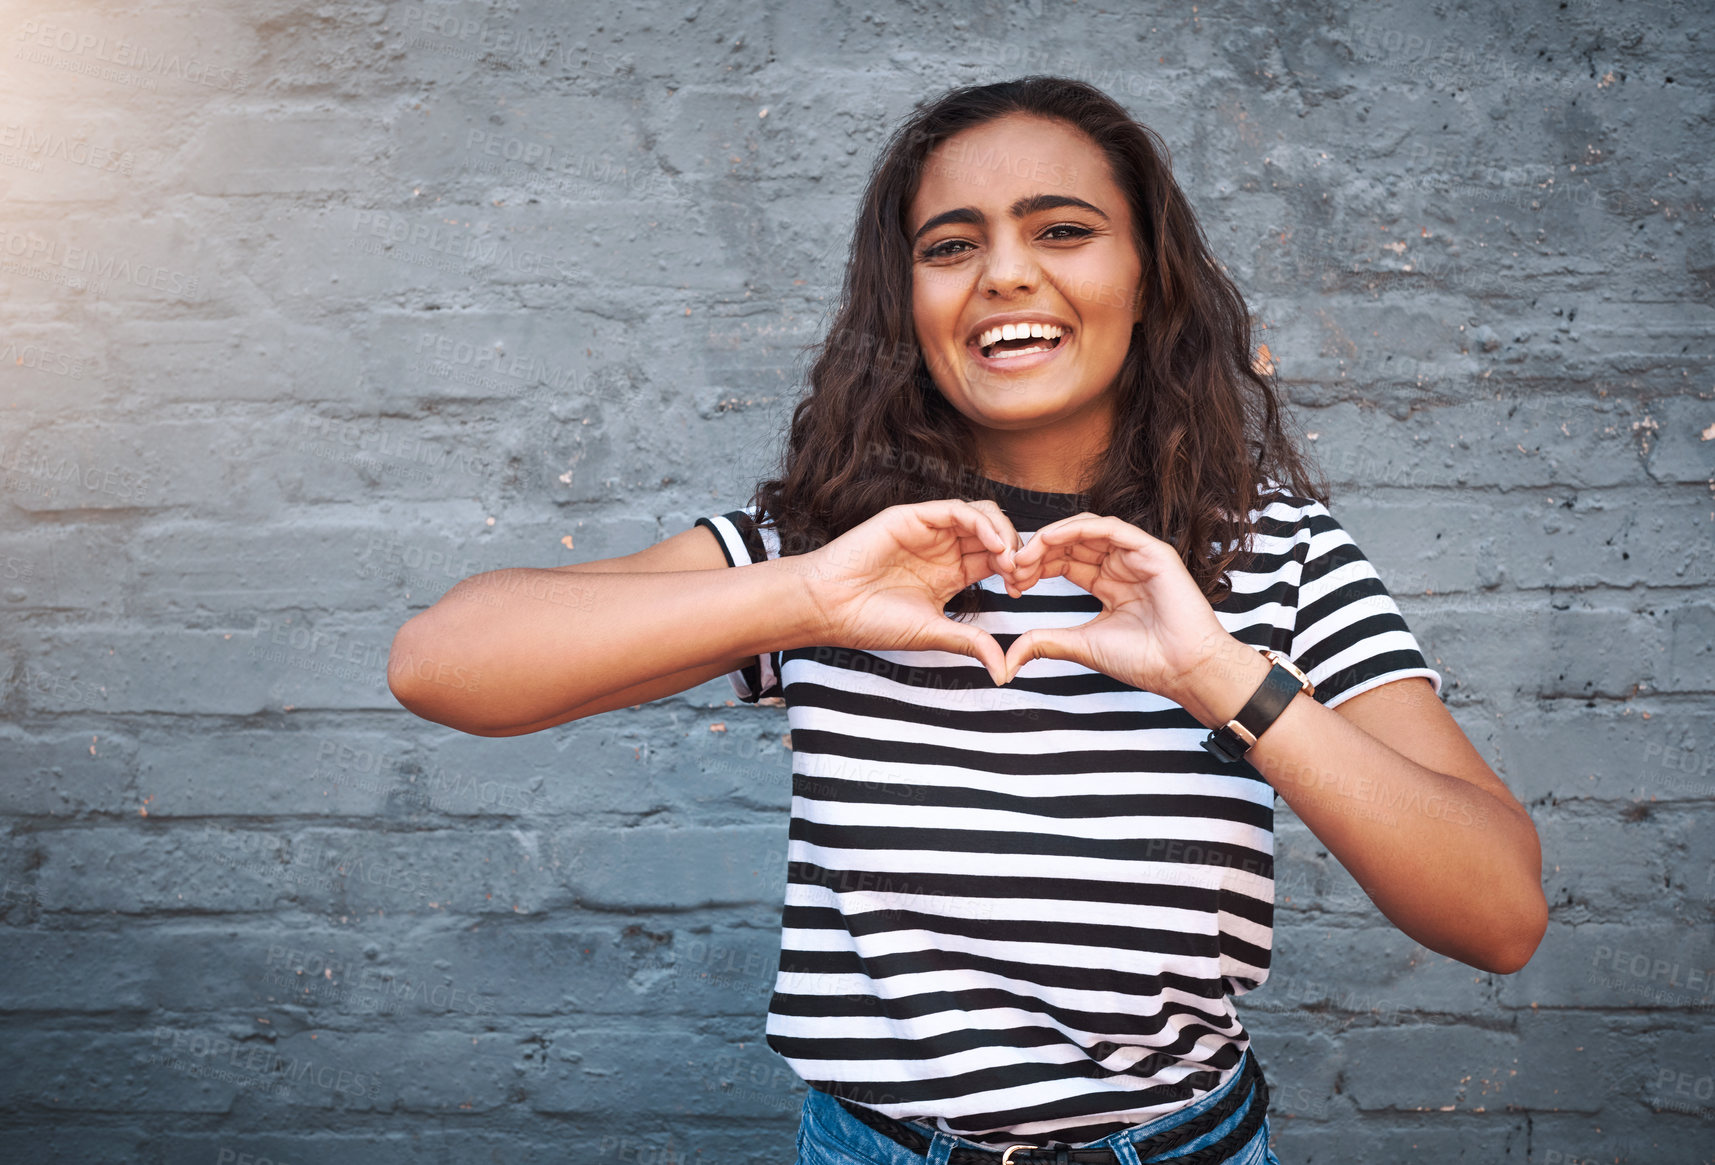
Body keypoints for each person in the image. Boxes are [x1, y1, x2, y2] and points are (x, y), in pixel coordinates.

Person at [388, 76, 1547, 1165]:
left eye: (1061, 229)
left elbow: (1496, 913)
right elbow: (443, 664)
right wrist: (810, 595)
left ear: (1148, 278)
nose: (1001, 274)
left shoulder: (1275, 549)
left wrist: (1218, 675)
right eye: (950, 246)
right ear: (908, 302)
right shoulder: (830, 544)